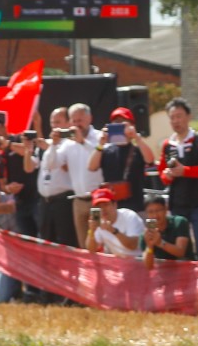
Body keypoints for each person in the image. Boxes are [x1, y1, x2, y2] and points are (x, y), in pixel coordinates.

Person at [158, 97, 198, 258]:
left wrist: (185, 171)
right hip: (178, 205)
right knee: (182, 251)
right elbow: (162, 174)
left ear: (188, 116)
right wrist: (167, 175)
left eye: (179, 116)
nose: (176, 121)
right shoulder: (167, 145)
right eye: (172, 117)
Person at [30, 106, 79, 248]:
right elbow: (39, 145)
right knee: (46, 242)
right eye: (52, 123)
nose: (54, 127)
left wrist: (50, 148)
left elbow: (69, 168)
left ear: (68, 123)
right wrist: (37, 125)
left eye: (58, 122)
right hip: (45, 202)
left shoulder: (73, 144)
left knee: (66, 241)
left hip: (63, 201)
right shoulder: (49, 143)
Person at [0, 112, 39, 237]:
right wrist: (8, 188)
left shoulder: (18, 138)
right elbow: (2, 184)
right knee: (27, 239)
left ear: (4, 128)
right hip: (20, 202)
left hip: (36, 198)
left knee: (44, 236)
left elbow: (28, 150)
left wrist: (7, 144)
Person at [93, 106, 154, 213]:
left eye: (123, 122)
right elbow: (92, 167)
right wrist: (101, 143)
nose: (119, 125)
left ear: (132, 125)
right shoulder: (106, 150)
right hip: (112, 208)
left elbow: (150, 160)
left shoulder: (137, 149)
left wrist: (136, 137)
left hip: (136, 206)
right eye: (116, 122)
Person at [59, 103, 102, 246]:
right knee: (83, 246)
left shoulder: (100, 137)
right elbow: (52, 164)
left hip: (98, 200)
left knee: (100, 243)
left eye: (80, 120)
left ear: (90, 118)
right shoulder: (67, 143)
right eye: (74, 121)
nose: (77, 125)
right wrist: (53, 145)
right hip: (78, 201)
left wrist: (82, 142)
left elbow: (102, 158)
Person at [84, 187, 146, 258]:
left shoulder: (129, 216)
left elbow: (133, 246)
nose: (103, 209)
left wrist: (113, 230)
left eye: (106, 205)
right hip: (119, 262)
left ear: (115, 204)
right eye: (99, 206)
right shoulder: (98, 222)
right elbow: (91, 250)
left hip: (140, 260)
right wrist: (91, 231)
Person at [139, 195, 191, 261]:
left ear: (166, 209)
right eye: (151, 212)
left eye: (158, 210)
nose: (155, 215)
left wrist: (160, 243)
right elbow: (148, 265)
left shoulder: (179, 222)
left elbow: (181, 252)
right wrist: (149, 246)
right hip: (160, 266)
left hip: (183, 265)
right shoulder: (146, 234)